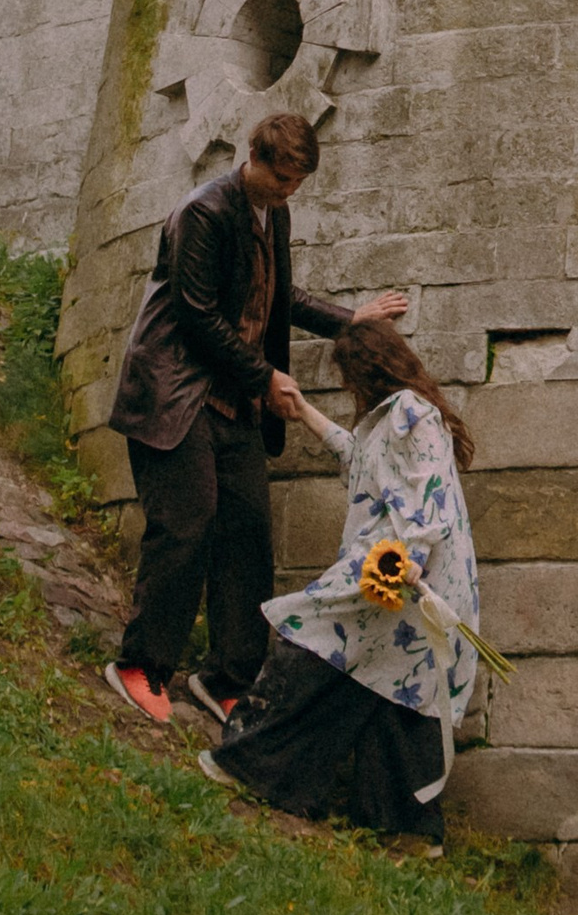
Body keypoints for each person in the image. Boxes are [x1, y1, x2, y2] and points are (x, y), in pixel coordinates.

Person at [102, 111, 405, 729]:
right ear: (256, 159)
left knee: (247, 534)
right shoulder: (205, 212)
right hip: (175, 392)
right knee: (186, 524)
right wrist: (264, 377)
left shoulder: (276, 213)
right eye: (283, 178)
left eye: (299, 182)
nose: (290, 190)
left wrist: (351, 319)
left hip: (232, 399)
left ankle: (226, 677)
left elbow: (277, 297)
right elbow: (195, 314)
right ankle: (142, 664)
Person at [199, 314, 483, 843]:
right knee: (391, 692)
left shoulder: (410, 413)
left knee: (312, 646)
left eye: (350, 373)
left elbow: (430, 491)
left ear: (366, 368)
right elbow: (357, 459)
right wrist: (304, 411)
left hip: (403, 574)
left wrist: (410, 560)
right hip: (402, 572)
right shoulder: (385, 421)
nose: (348, 385)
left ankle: (254, 768)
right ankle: (404, 832)